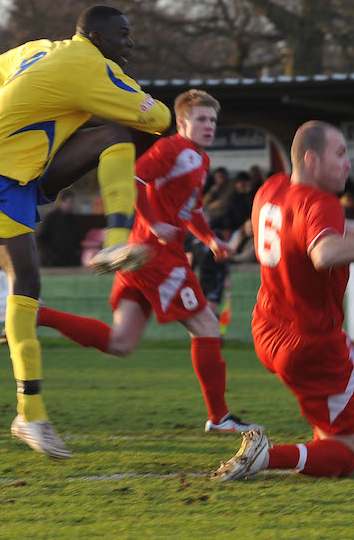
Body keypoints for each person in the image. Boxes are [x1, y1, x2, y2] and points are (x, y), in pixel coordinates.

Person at [0, 5, 172, 458]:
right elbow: (160, 118)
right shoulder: (91, 67)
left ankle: (113, 245)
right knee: (26, 282)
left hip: (24, 171)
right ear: (96, 35)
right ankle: (29, 413)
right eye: (122, 35)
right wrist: (125, 101)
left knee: (112, 138)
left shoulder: (37, 51)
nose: (130, 44)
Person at [211, 121, 354, 482]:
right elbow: (323, 253)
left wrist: (348, 227)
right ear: (312, 159)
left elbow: (296, 229)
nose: (348, 163)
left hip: (267, 330)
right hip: (312, 343)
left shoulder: (272, 188)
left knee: (328, 433)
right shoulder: (320, 203)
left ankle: (301, 449)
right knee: (351, 457)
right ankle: (267, 455)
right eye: (340, 154)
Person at [34, 89, 261, 439]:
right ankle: (219, 417)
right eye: (202, 119)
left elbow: (192, 210)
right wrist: (154, 222)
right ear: (182, 122)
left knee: (122, 343)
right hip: (156, 257)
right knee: (207, 326)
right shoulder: (172, 148)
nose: (209, 126)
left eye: (213, 120)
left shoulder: (200, 161)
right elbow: (135, 177)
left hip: (139, 258)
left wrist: (210, 239)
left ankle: (40, 314)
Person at [36, 189, 83, 267]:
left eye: (73, 203)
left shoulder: (74, 219)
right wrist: (50, 255)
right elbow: (41, 239)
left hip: (71, 261)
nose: (71, 205)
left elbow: (78, 238)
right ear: (61, 202)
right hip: (52, 262)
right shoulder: (50, 218)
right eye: (69, 202)